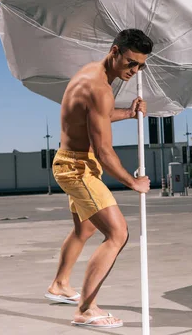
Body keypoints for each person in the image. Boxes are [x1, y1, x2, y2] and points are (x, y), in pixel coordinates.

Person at [45, 29, 153, 329]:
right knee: (119, 233)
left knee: (85, 229)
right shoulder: (100, 88)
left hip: (74, 162)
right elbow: (105, 152)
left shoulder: (92, 74)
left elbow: (96, 115)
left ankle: (59, 284)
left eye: (141, 66)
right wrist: (133, 182)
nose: (134, 71)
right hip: (78, 168)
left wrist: (129, 114)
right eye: (130, 62)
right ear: (114, 50)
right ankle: (86, 308)